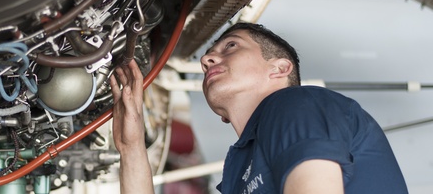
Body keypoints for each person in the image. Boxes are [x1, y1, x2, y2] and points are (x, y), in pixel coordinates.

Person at [110, 22, 409, 193]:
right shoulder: (238, 170)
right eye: (209, 56)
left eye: (231, 46)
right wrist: (130, 147)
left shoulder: (296, 105)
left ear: (279, 68)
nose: (207, 60)